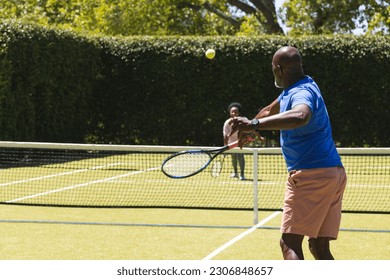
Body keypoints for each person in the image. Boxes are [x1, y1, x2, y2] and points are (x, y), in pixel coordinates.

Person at [229, 46, 347, 260]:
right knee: (319, 248)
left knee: (289, 243)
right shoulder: (301, 85)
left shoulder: (302, 93)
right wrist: (249, 131)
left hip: (310, 174)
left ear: (279, 69)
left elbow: (301, 115)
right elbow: (268, 111)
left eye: (273, 69)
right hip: (334, 174)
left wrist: (254, 124)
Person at [223, 102, 246, 180]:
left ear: (238, 113)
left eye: (235, 112)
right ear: (230, 113)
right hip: (231, 143)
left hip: (240, 142)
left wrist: (241, 141)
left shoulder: (243, 120)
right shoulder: (227, 123)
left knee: (240, 157)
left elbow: (246, 132)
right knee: (233, 158)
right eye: (232, 112)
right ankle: (235, 173)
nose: (234, 113)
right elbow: (225, 135)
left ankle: (242, 174)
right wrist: (225, 146)